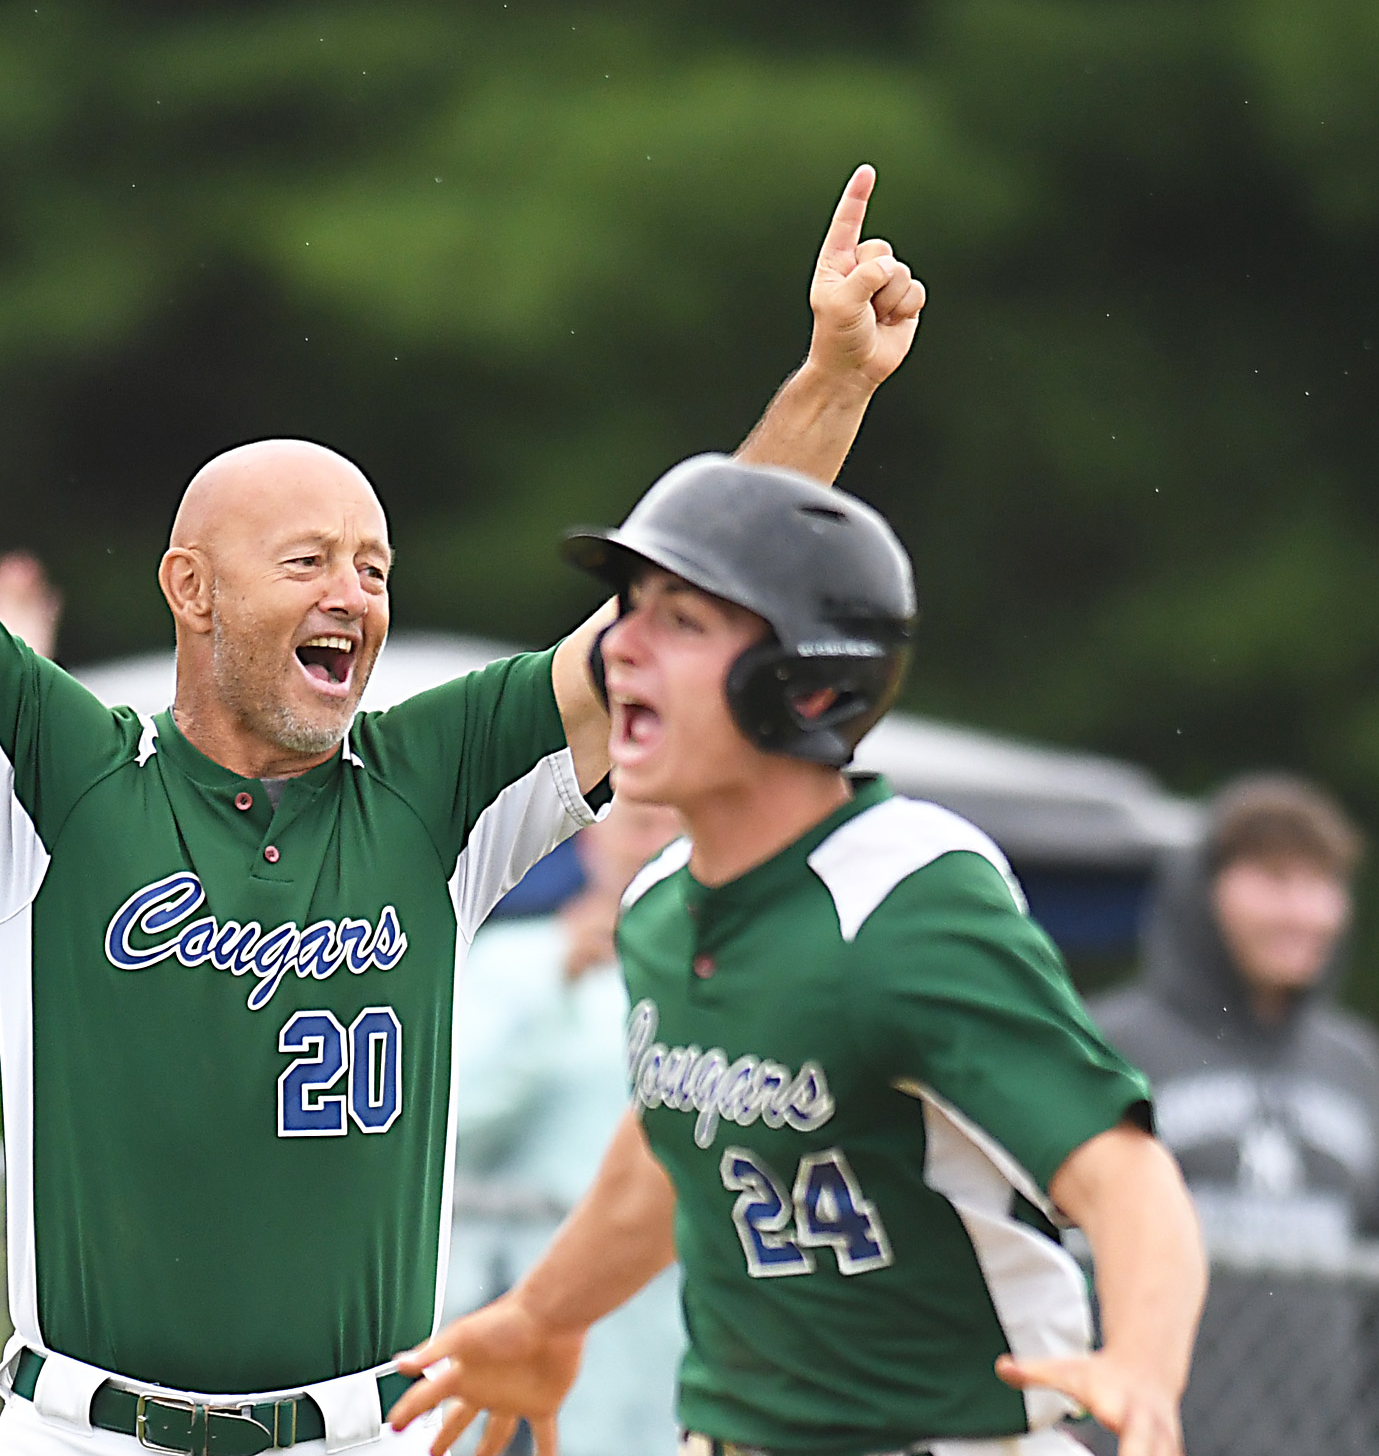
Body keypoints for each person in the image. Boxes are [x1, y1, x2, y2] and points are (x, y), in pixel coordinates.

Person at [0, 95, 926, 1455]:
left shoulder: (436, 785)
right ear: (189, 591)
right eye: (309, 560)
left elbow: (691, 611)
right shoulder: (61, 775)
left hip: (364, 1433)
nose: (355, 593)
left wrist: (834, 381)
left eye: (375, 566)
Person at [389, 458, 1206, 1456]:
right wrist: (547, 1314)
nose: (621, 644)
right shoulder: (660, 909)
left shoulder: (906, 901)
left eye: (681, 621)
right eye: (629, 608)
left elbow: (1122, 1174)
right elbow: (673, 1137)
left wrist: (1144, 1370)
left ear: (808, 687)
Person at [1092, 775, 1379, 1456]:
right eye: (1274, 880)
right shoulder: (1111, 1045)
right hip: (1145, 1439)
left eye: (1322, 885)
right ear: (1202, 895)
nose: (1307, 913)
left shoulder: (1356, 1065)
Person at [446, 799, 688, 1456]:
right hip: (494, 1277)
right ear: (589, 845)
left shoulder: (708, 977)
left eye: (675, 827)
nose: (653, 843)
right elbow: (453, 1120)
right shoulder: (508, 958)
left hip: (647, 1297)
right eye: (638, 825)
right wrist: (559, 976)